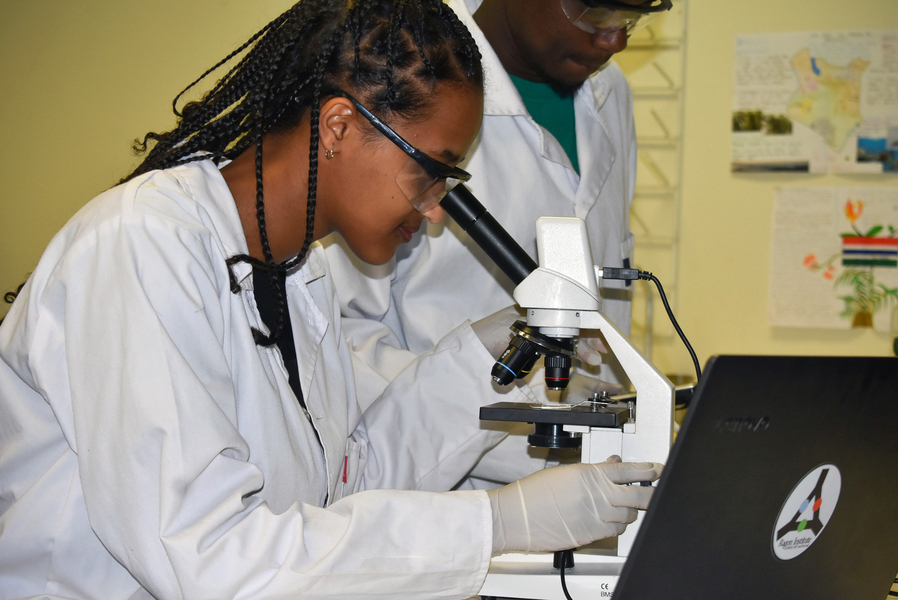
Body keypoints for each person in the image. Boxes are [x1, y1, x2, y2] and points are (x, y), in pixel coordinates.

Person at [0, 1, 662, 599]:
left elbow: (346, 481)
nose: (436, 213)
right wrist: (498, 524)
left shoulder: (296, 276)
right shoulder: (141, 245)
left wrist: (476, 361)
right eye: (432, 172)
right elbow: (212, 559)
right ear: (340, 126)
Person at [323, 0, 670, 487]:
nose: (615, 40)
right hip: (441, 492)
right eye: (596, 10)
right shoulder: (402, 73)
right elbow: (341, 346)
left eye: (632, 19)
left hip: (599, 477)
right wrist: (537, 442)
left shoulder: (611, 93)